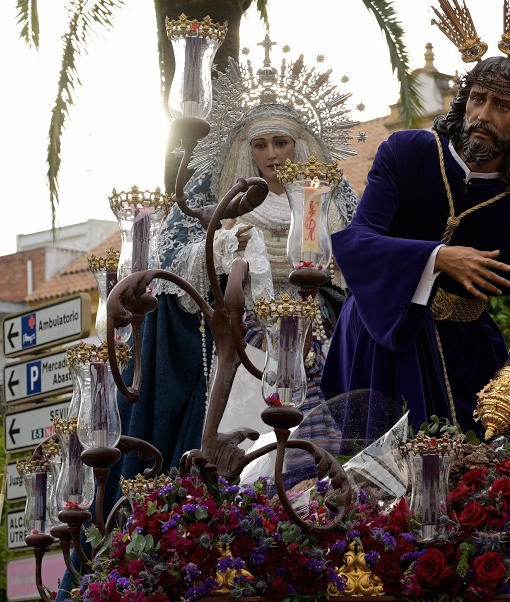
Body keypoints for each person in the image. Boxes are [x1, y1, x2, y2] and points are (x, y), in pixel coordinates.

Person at [321, 55, 510, 438]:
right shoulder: (407, 154)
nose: (484, 115)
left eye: (502, 106)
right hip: (385, 335)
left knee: (489, 463)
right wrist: (436, 258)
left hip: (468, 358)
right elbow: (357, 242)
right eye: (478, 99)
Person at [122, 62, 359, 471]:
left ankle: (315, 476)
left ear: (298, 145)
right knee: (248, 420)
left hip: (314, 322)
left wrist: (337, 262)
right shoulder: (229, 196)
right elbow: (173, 256)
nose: (271, 154)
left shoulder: (326, 198)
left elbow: (358, 253)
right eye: (260, 145)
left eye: (280, 142)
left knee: (320, 403)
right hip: (247, 324)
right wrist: (224, 245)